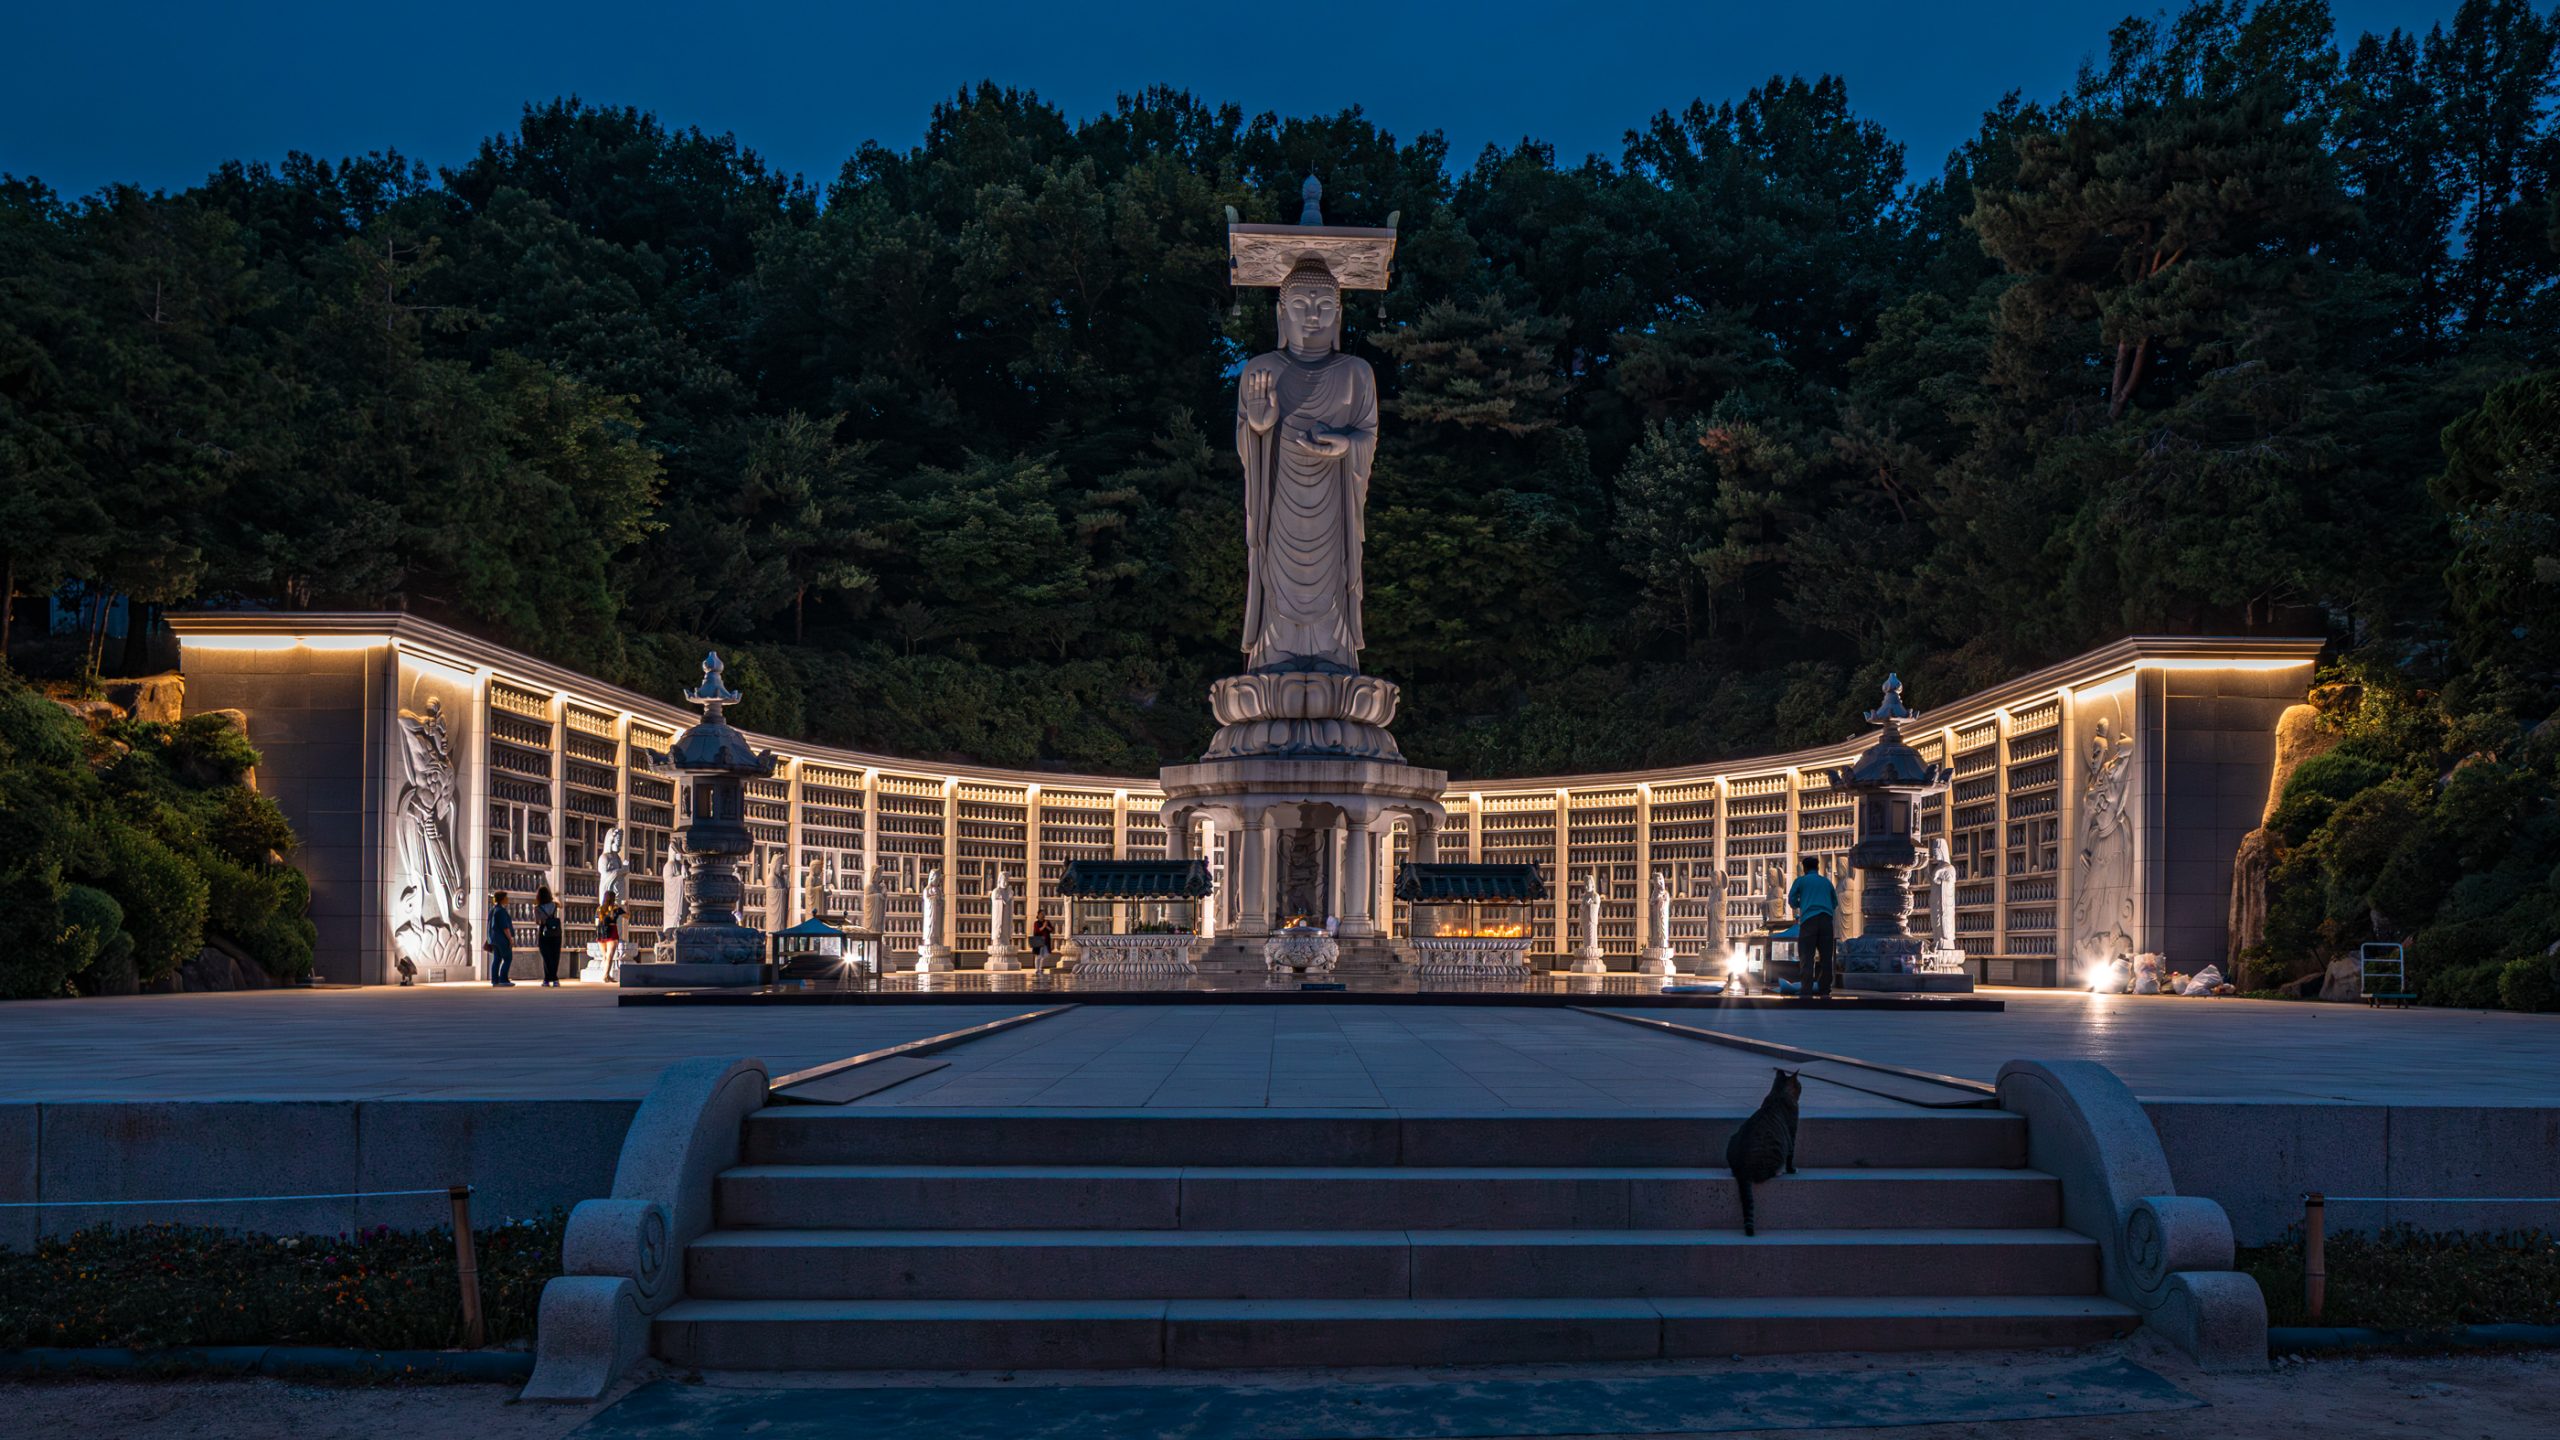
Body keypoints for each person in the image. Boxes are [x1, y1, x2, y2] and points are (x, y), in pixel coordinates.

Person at [1786, 858, 1839, 1001]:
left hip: (1809, 920)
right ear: (1817, 867)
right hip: (1826, 920)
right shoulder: (1826, 882)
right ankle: (1824, 990)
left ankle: (1806, 990)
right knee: (1826, 957)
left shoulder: (1801, 881)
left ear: (1804, 868)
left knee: (1807, 956)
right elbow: (1835, 902)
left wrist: (1802, 903)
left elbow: (1791, 900)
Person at [534, 884, 563, 987]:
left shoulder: (537, 908)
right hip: (556, 932)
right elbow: (561, 905)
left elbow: (538, 922)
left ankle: (547, 979)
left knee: (546, 956)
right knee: (555, 955)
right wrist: (554, 898)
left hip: (544, 932)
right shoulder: (554, 904)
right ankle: (555, 979)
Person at [485, 891, 516, 987]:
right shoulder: (501, 911)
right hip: (502, 939)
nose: (508, 899)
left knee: (497, 959)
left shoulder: (493, 910)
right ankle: (503, 979)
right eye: (506, 897)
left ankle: (495, 980)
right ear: (502, 899)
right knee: (508, 958)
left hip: (493, 939)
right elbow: (505, 927)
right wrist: (510, 939)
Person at [595, 888, 623, 981]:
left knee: (605, 956)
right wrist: (626, 906)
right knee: (610, 956)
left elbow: (596, 921)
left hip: (601, 932)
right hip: (612, 931)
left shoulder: (599, 908)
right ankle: (605, 976)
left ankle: (607, 975)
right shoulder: (616, 908)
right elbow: (627, 916)